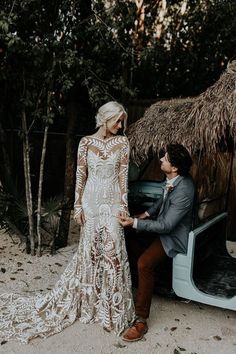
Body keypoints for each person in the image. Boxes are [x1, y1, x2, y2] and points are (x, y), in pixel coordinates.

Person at [0, 101, 135, 344]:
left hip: (113, 203)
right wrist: (77, 206)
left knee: (114, 252)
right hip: (91, 203)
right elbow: (80, 176)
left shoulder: (123, 143)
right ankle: (91, 306)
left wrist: (124, 207)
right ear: (105, 119)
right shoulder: (86, 143)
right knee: (90, 253)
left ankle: (114, 312)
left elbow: (123, 178)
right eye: (117, 120)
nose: (120, 125)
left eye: (122, 121)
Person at [119, 143, 195, 342]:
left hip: (173, 237)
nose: (161, 159)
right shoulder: (173, 179)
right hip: (162, 228)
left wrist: (135, 222)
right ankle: (142, 278)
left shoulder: (185, 189)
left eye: (165, 158)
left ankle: (141, 320)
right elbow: (161, 202)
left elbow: (166, 226)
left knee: (145, 262)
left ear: (175, 167)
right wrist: (142, 216)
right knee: (127, 235)